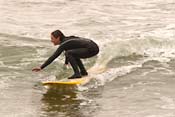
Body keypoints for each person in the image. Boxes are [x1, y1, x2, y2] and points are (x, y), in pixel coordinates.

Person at [32, 30, 99, 79]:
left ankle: (77, 74)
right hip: (94, 47)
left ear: (58, 38)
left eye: (52, 38)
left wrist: (41, 67)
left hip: (92, 49)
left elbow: (54, 56)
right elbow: (70, 50)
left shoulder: (64, 44)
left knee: (69, 53)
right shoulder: (67, 40)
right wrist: (66, 62)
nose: (51, 40)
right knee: (72, 53)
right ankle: (83, 72)